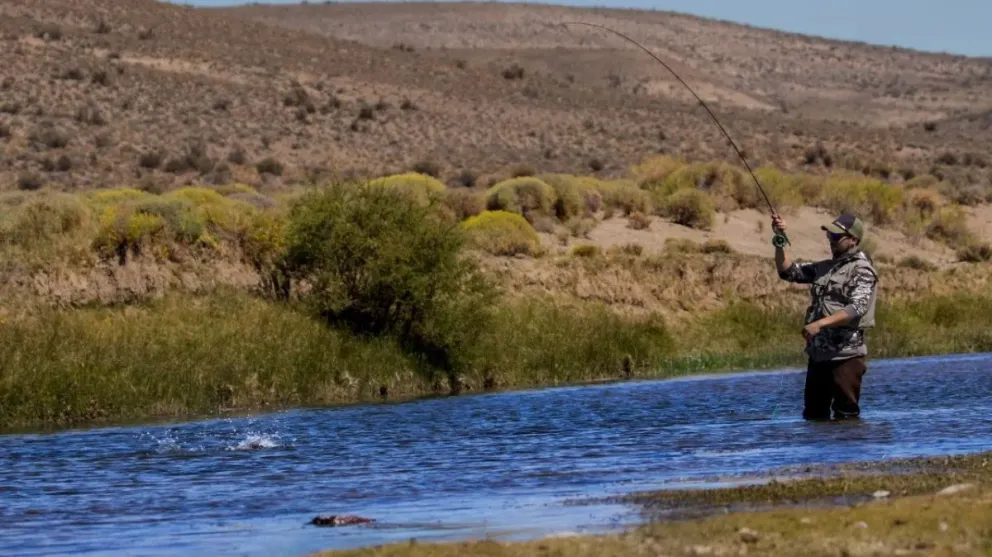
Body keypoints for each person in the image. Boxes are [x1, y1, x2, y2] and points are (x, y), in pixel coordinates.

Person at [772, 213, 879, 421]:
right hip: (818, 355)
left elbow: (857, 308)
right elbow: (787, 271)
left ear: (853, 240)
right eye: (830, 234)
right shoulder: (824, 268)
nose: (831, 239)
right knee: (813, 416)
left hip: (846, 356)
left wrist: (819, 324)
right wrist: (780, 239)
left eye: (836, 236)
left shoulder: (862, 270)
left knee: (846, 417)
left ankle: (849, 453)